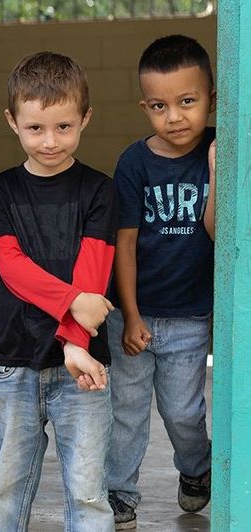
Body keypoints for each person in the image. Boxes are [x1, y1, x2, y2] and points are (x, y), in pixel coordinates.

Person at [0, 51, 118, 532]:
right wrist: (71, 305)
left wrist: (76, 344)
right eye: (36, 128)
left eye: (64, 127)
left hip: (84, 369)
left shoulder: (100, 190)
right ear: (12, 122)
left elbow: (93, 271)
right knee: (6, 493)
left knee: (87, 493)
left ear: (85, 118)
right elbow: (10, 266)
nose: (50, 141)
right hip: (14, 363)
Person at [106, 35, 215, 530]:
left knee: (184, 413)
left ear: (212, 97)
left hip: (191, 317)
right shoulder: (134, 162)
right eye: (159, 106)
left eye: (187, 101)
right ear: (144, 106)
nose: (174, 117)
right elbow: (123, 244)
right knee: (126, 412)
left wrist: (217, 169)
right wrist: (128, 314)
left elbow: (218, 232)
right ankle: (120, 494)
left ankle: (195, 470)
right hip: (132, 314)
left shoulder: (220, 152)